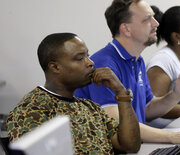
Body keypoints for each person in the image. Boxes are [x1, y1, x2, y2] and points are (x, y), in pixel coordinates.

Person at [75, 0, 180, 144]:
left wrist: (177, 94)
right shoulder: (104, 65)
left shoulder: (137, 60)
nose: (156, 23)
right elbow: (117, 124)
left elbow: (147, 109)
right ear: (126, 29)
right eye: (147, 19)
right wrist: (171, 136)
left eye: (154, 17)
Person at [6, 33, 141, 154]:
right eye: (79, 58)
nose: (91, 62)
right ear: (55, 67)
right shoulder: (31, 110)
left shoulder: (90, 107)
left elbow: (130, 146)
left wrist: (121, 93)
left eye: (87, 55)